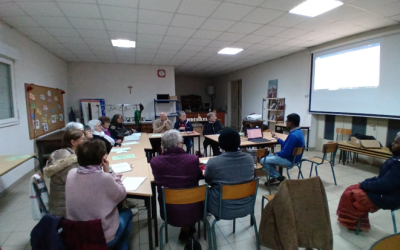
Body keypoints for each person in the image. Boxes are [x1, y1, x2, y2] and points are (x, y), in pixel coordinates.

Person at [66, 139, 133, 245]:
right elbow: (121, 194)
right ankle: (118, 244)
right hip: (100, 235)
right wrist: (110, 173)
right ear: (103, 159)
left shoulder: (71, 173)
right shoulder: (105, 178)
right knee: (128, 213)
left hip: (76, 232)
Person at [337, 133, 400, 231]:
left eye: (396, 142)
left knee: (351, 194)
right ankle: (354, 221)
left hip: (390, 197)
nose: (392, 144)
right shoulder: (396, 159)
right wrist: (367, 182)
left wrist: (364, 185)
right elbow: (383, 178)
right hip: (387, 191)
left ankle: (353, 223)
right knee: (352, 187)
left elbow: (385, 185)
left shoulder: (398, 164)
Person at [150, 130, 203, 241]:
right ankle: (187, 227)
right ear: (179, 144)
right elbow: (198, 176)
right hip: (194, 209)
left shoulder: (155, 161)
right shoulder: (193, 159)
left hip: (168, 211)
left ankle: (187, 228)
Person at [205, 128, 254, 219]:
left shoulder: (213, 162)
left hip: (222, 209)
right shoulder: (250, 159)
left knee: (202, 191)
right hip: (247, 207)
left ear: (220, 144)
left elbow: (208, 180)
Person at [43, 129, 85, 217]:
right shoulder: (68, 161)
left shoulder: (63, 152)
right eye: (83, 139)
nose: (85, 141)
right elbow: (77, 185)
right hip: (64, 208)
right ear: (73, 142)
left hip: (61, 201)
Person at [261, 113, 305, 186]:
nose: (286, 122)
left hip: (289, 160)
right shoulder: (298, 132)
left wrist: (276, 154)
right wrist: (278, 139)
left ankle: (278, 177)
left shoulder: (293, 135)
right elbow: (287, 145)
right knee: (270, 156)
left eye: (287, 121)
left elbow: (286, 152)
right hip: (295, 159)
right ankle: (275, 177)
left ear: (291, 123)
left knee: (263, 160)